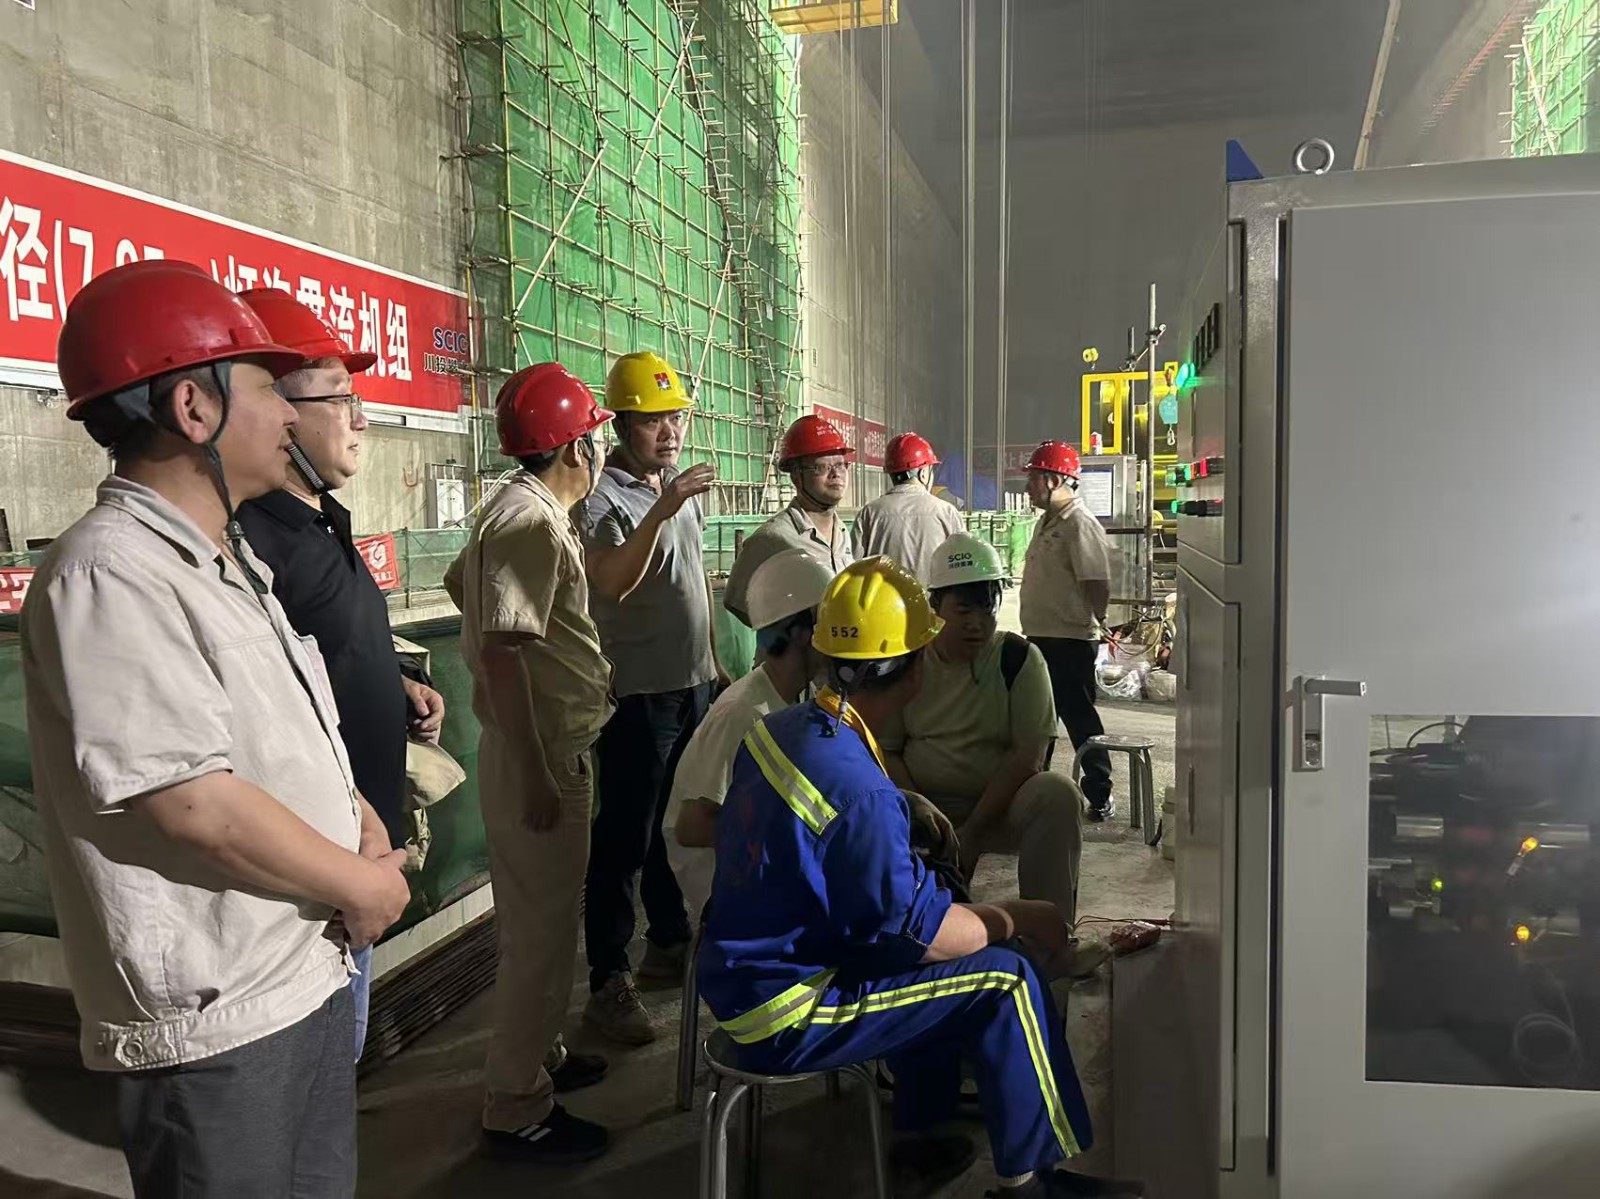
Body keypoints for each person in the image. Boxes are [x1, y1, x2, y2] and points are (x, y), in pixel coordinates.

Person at [21, 260, 411, 1197]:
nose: (289, 413)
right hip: (222, 1017)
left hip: (300, 971)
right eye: (268, 387)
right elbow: (189, 800)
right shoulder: (109, 572)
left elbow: (278, 729)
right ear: (193, 408)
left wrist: (354, 813)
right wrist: (358, 882)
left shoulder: (220, 558)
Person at [701, 557, 1136, 1198]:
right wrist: (1022, 916)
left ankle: (920, 1134)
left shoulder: (782, 730)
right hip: (790, 1012)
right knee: (1008, 975)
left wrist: (903, 805)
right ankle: (1033, 1186)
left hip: (744, 977)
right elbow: (927, 935)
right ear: (912, 668)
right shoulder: (860, 789)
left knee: (929, 948)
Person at [234, 288, 446, 1061]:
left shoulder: (319, 519)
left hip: (357, 862)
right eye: (340, 398)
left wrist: (395, 682)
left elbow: (324, 649)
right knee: (317, 1073)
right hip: (314, 883)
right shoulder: (250, 544)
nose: (360, 419)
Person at [443, 363, 616, 1163]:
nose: (602, 448)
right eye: (597, 435)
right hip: (539, 759)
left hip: (539, 751)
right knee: (540, 939)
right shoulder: (528, 521)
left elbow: (464, 588)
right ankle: (515, 1104)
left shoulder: (520, 510)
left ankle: (539, 1057)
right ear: (576, 447)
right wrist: (538, 768)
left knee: (540, 926)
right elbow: (504, 653)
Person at [579, 351, 725, 1045]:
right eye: (653, 420)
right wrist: (663, 508)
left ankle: (668, 941)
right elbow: (611, 581)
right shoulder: (601, 501)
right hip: (639, 695)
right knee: (625, 838)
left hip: (691, 683)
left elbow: (694, 584)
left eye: (676, 417)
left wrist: (715, 664)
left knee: (676, 822)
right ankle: (607, 979)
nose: (670, 431)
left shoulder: (672, 487)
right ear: (621, 425)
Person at [880, 534, 1097, 972]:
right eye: (964, 611)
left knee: (1057, 793)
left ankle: (1051, 943)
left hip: (1000, 809)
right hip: (925, 809)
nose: (977, 624)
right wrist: (919, 809)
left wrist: (974, 832)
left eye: (987, 610)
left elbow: (1028, 756)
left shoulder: (1018, 659)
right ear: (935, 605)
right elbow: (888, 751)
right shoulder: (910, 663)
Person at [665, 547, 834, 923]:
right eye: (827, 622)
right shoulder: (743, 713)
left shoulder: (797, 696)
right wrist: (796, 836)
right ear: (801, 633)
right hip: (735, 891)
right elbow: (692, 827)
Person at [1019, 441, 1116, 821]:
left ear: (1054, 479)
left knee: (1079, 718)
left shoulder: (1079, 522)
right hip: (1042, 636)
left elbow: (1096, 580)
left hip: (1070, 639)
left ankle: (1099, 791)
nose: (1028, 486)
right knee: (1039, 718)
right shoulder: (1048, 521)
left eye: (1033, 478)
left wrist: (1100, 618)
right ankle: (1033, 787)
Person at [721, 413, 855, 625]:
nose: (835, 474)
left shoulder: (841, 533)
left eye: (840, 465)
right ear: (796, 476)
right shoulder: (772, 539)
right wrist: (786, 632)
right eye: (822, 467)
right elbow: (735, 601)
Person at [851, 431, 964, 581]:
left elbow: (853, 569)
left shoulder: (869, 514)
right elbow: (962, 569)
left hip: (882, 597)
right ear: (923, 474)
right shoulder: (947, 512)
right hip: (932, 596)